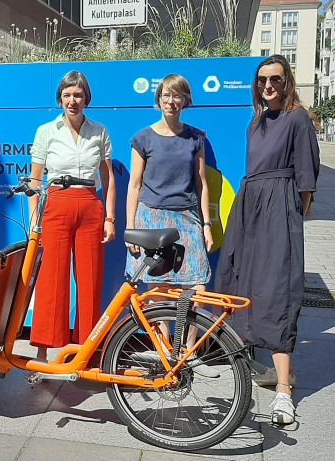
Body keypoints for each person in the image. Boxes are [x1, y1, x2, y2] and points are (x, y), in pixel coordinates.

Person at [216, 54, 320, 425]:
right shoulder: (256, 120)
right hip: (251, 204)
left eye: (275, 79)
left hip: (280, 206)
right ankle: (247, 365)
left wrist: (293, 213)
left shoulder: (298, 119)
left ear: (287, 81)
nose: (268, 86)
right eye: (262, 80)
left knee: (277, 287)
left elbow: (307, 176)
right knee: (242, 279)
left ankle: (284, 390)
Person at [124, 73, 219, 378]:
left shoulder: (196, 137)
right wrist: (130, 227)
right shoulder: (143, 138)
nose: (171, 101)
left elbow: (203, 184)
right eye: (166, 95)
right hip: (151, 216)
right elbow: (134, 186)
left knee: (198, 285)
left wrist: (206, 225)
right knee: (157, 288)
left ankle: (189, 352)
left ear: (186, 101)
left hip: (186, 217)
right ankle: (166, 348)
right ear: (159, 99)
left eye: (177, 96)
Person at [28, 70, 116, 364]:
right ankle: (42, 351)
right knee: (52, 278)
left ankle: (87, 351)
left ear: (86, 97)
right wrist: (33, 223)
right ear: (60, 98)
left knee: (90, 280)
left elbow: (109, 178)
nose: (72, 101)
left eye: (77, 95)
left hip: (91, 206)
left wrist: (110, 217)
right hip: (56, 205)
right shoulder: (46, 131)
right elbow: (35, 180)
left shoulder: (100, 131)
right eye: (67, 95)